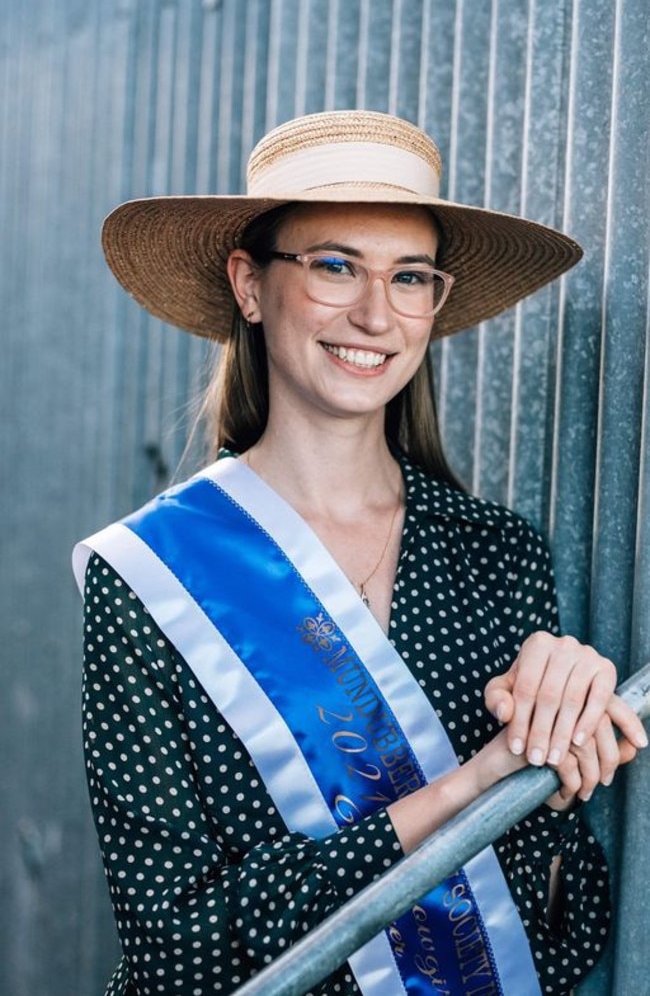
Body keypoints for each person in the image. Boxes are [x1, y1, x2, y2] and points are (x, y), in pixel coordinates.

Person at [75, 110, 647, 996]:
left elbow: (560, 935)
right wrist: (474, 786)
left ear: (435, 303)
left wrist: (558, 758)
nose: (376, 314)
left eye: (409, 276)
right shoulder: (149, 576)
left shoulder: (497, 556)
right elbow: (175, 951)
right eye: (335, 264)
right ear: (250, 284)